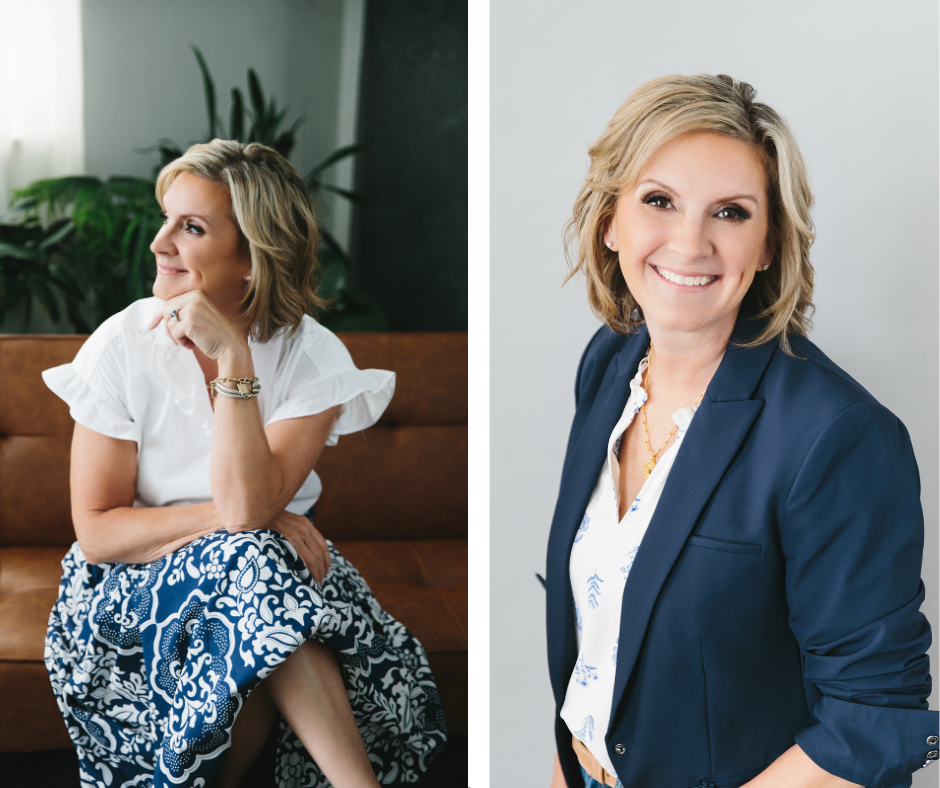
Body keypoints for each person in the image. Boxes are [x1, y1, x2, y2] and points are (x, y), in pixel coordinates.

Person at [545, 74, 938, 788]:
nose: (690, 242)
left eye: (730, 212)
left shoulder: (836, 436)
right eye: (659, 201)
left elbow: (877, 720)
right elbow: (598, 639)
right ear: (611, 220)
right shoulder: (609, 363)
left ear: (768, 245)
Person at [41, 140, 446, 788]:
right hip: (131, 586)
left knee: (257, 588)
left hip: (270, 584)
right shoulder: (120, 345)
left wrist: (233, 358)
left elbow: (248, 512)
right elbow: (99, 532)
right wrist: (246, 521)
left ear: (252, 261)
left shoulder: (310, 357)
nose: (159, 243)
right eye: (167, 219)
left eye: (191, 228)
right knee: (258, 557)